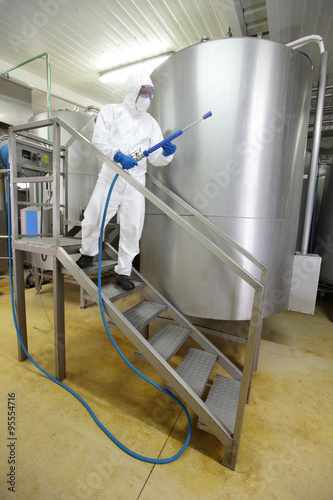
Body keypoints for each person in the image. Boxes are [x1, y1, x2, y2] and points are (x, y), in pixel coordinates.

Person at [76, 71, 176, 290]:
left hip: (135, 184)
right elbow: (98, 140)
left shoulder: (151, 123)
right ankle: (87, 253)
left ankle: (123, 271)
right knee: (95, 216)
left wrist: (167, 153)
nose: (148, 98)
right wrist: (117, 155)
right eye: (144, 92)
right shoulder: (111, 111)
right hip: (110, 176)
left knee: (132, 229)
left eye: (151, 94)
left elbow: (157, 159)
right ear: (133, 91)